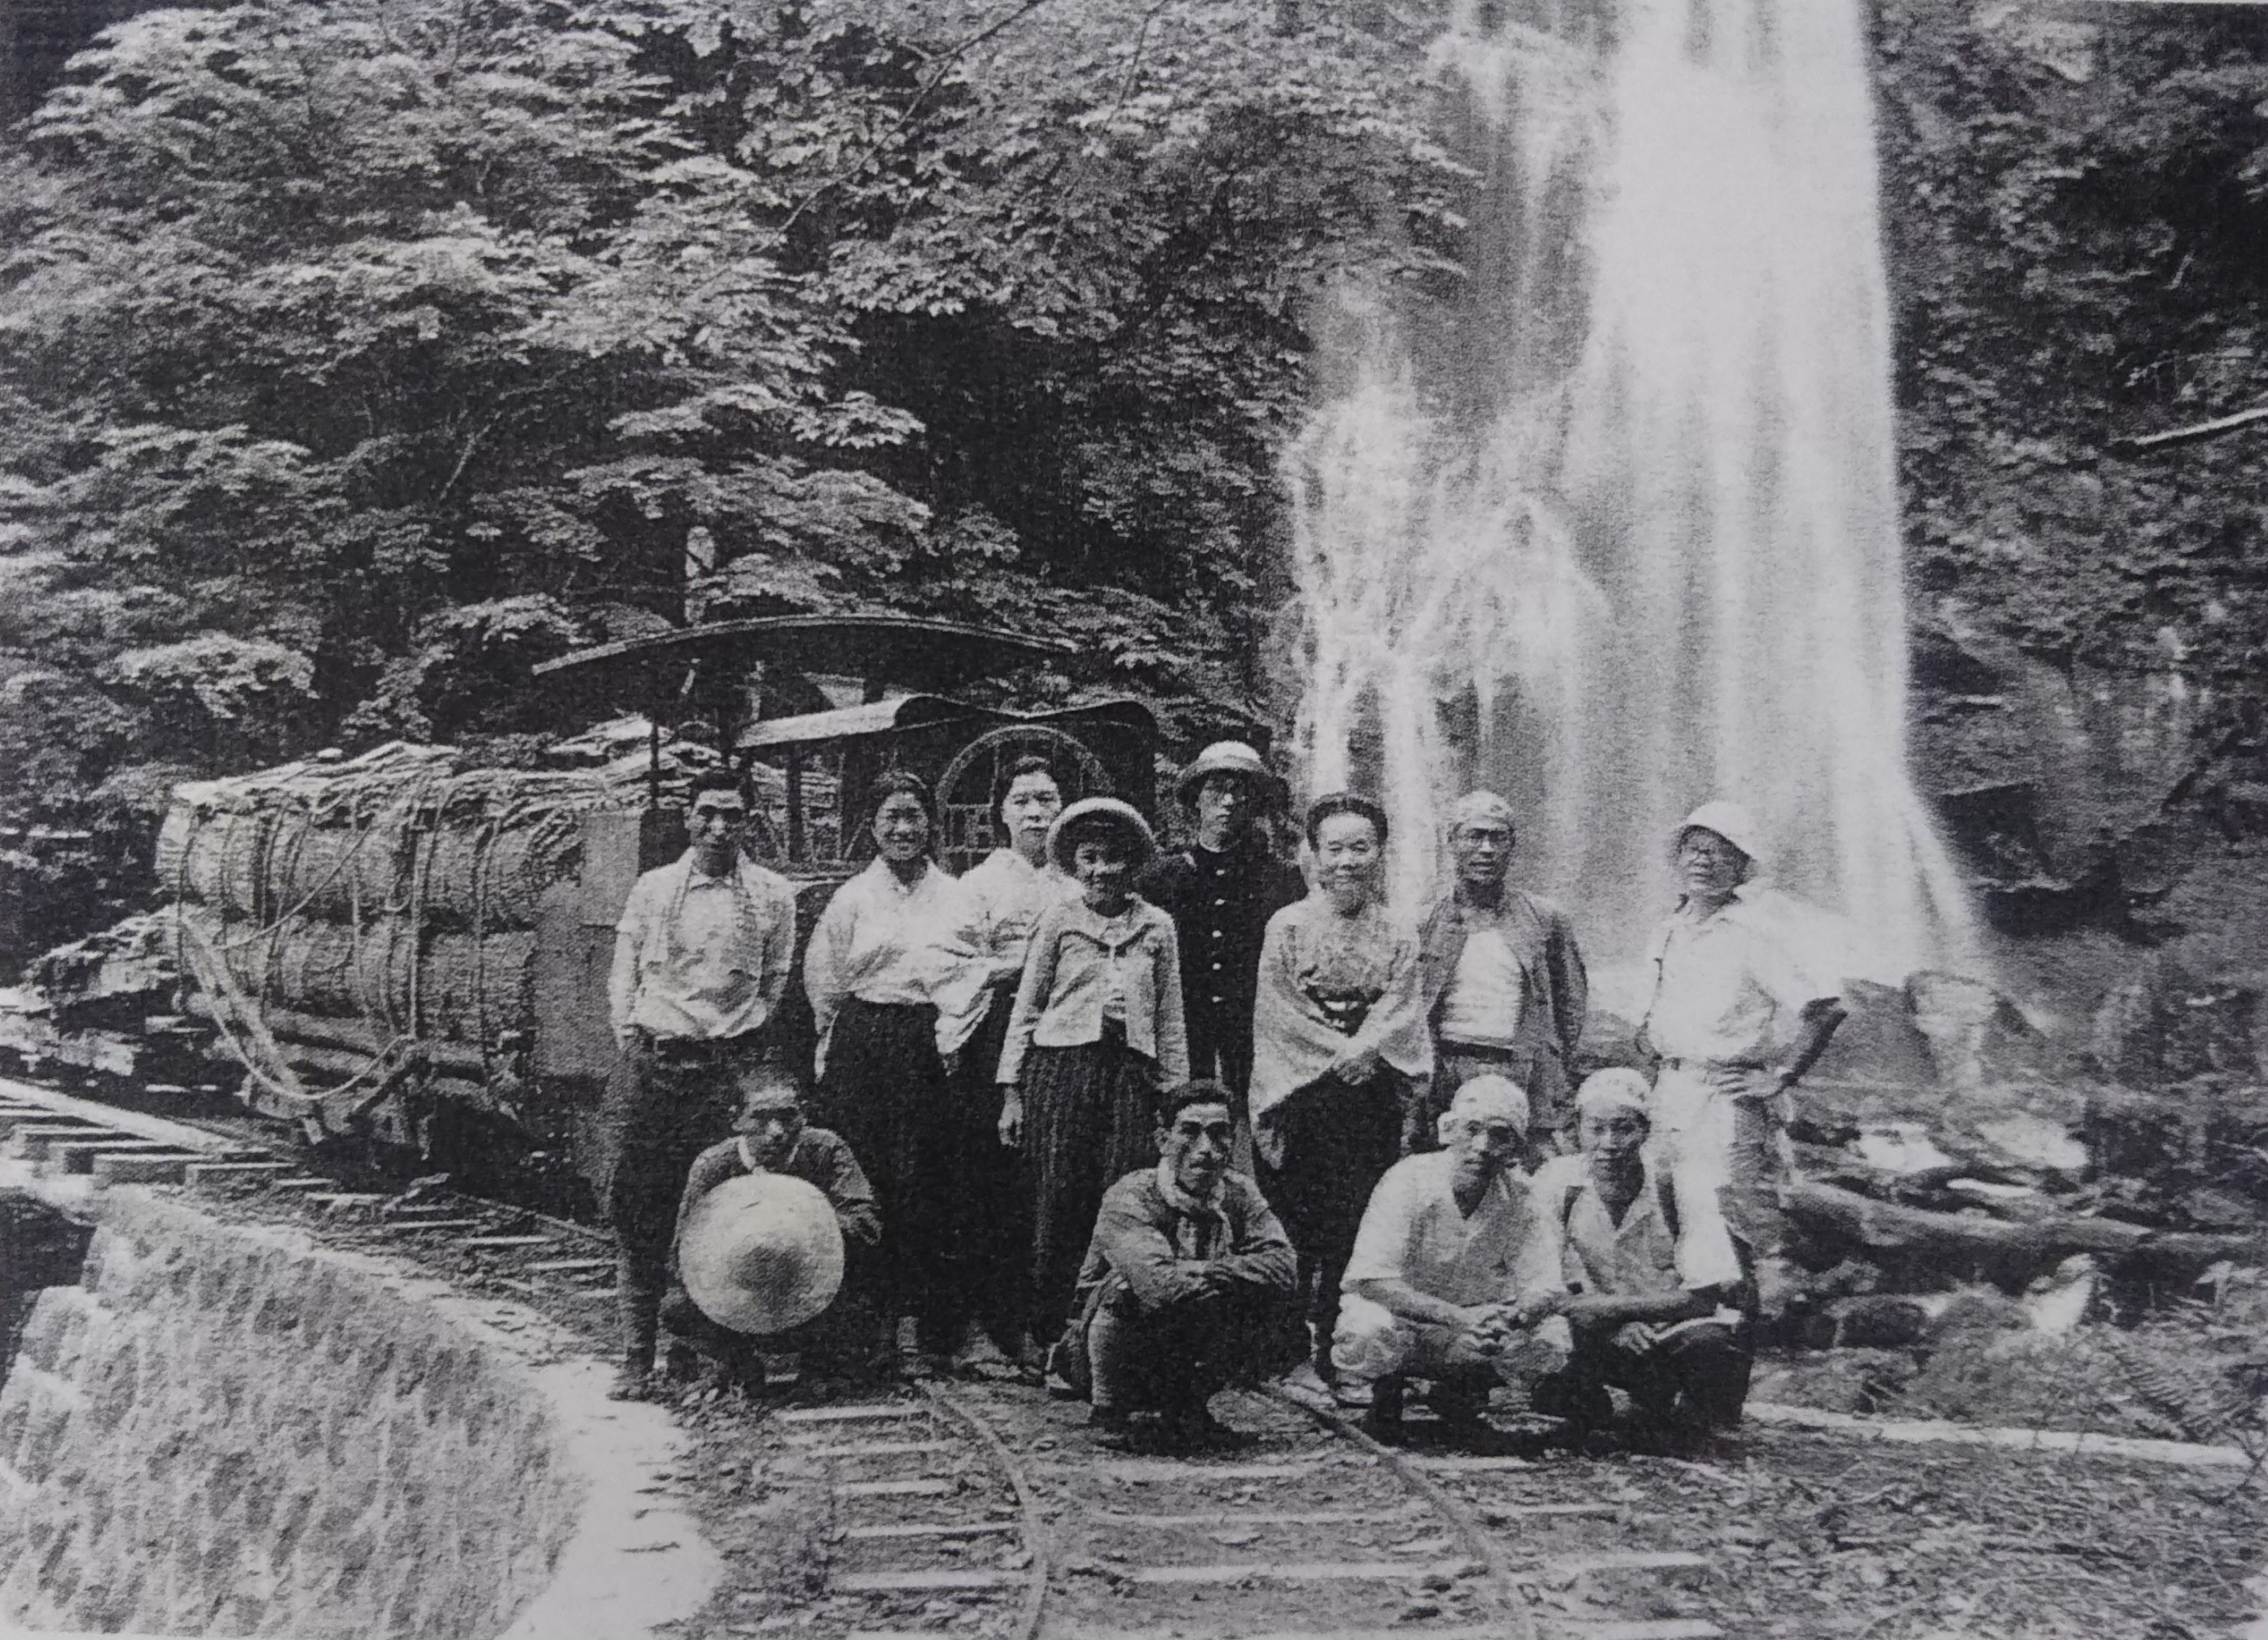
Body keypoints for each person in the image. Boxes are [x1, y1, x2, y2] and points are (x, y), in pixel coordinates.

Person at [603, 766, 798, 1401]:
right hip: (657, 1064)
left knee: (725, 1207)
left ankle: (711, 1354)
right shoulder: (653, 889)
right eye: (707, 813)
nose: (719, 827)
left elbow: (774, 981)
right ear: (687, 817)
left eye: (733, 815)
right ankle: (637, 1355)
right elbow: (623, 976)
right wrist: (634, 1040)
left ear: (749, 821)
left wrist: (737, 1046)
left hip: (728, 1073)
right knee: (639, 1205)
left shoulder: (772, 895)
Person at [1248, 792, 1432, 1388]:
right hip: (1304, 1094)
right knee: (1298, 1223)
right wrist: (1338, 1054)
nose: (1347, 862)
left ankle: (1347, 1349)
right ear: (1312, 855)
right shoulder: (1288, 925)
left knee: (1356, 1224)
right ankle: (1290, 1354)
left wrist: (1368, 1050)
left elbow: (1403, 1007)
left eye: (1361, 848)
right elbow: (1277, 1011)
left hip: (1370, 1095)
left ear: (1380, 854)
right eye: (1334, 849)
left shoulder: (1397, 929)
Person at [998, 797, 1190, 1365]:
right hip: (1061, 1071)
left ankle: (1108, 1328)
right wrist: (1011, 1091)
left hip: (1130, 1075)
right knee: (1057, 1194)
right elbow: (1027, 1008)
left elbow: (1171, 1017)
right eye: (1091, 858)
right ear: (1075, 864)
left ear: (1133, 865)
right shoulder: (1059, 920)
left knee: (1123, 1195)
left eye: (1115, 859)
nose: (1103, 870)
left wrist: (1173, 1099)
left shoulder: (1157, 926)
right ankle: (1046, 1329)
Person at [1636, 800, 1846, 1307]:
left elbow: (1827, 1007)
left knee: (1729, 1215)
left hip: (1725, 1095)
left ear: (1741, 867)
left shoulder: (1756, 932)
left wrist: (1781, 1076)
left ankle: (1744, 1336)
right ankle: (1692, 1333)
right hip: (1670, 1091)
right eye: (1693, 850)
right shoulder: (1670, 928)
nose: (1702, 862)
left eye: (1718, 852)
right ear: (1678, 858)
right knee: (1668, 1208)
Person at [804, 770, 978, 1375]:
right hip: (863, 1042)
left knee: (928, 1183)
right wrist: (833, 1048)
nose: (903, 829)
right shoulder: (851, 898)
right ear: (872, 828)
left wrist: (950, 1038)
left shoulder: (957, 895)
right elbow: (824, 982)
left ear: (931, 824)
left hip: (929, 1044)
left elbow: (970, 976)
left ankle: (927, 1332)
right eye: (890, 818)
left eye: (913, 816)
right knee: (866, 1178)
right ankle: (860, 1328)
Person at [1332, 1076, 1572, 1440]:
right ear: (1449, 1130)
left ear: (1514, 1147)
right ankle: (1387, 1388)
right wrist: (1458, 1318)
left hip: (1477, 1327)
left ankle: (1461, 1391)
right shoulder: (1408, 1179)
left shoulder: (1523, 1197)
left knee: (1550, 1337)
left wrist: (1513, 1316)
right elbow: (1371, 1279)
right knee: (1367, 1325)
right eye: (1472, 1129)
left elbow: (1546, 1285)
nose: (1481, 1146)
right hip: (1408, 1321)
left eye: (1499, 1135)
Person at [1069, 1081, 1298, 1452]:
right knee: (1126, 1290)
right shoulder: (1132, 1194)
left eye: (1219, 1134)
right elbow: (1158, 1285)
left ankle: (1189, 1408)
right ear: (1163, 1140)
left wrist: (1204, 1271)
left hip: (1196, 1315)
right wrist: (1228, 1275)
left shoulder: (1240, 1193)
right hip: (1114, 1340)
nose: (1205, 1149)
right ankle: (1109, 1408)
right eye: (1190, 1133)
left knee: (1273, 1307)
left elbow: (1283, 1265)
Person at [1527, 1071, 1753, 1440]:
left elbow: (1704, 1296)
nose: (1609, 1144)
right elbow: (1538, 1274)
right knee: (1560, 1391)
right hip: (1595, 1326)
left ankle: (1694, 1413)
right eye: (1596, 1129)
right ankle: (1621, 1397)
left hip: (1670, 1326)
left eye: (1623, 1129)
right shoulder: (1558, 1182)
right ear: (1577, 1131)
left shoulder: (1680, 1183)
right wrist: (1610, 1323)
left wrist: (1617, 1311)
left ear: (1645, 1131)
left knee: (1710, 1349)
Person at [941, 755, 1075, 1370]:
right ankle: (979, 1323)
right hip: (994, 1033)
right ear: (1001, 813)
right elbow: (955, 966)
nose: (1036, 813)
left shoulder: (1076, 883)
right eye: (1022, 801)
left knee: (1045, 1183)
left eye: (1047, 800)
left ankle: (1039, 1321)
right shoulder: (978, 885)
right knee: (989, 1180)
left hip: (1062, 1036)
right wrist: (1014, 970)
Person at [657, 1063, 884, 1391]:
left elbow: (867, 1222)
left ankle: (824, 1367)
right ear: (738, 1119)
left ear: (804, 1115)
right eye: (761, 1118)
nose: (776, 1131)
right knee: (677, 1308)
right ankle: (733, 1360)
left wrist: (808, 1224)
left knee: (862, 1297)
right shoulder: (714, 1165)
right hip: (738, 1283)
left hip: (811, 1284)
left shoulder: (825, 1150)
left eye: (788, 1116)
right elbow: (682, 1250)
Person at [1140, 741, 1305, 1135]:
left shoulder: (1282, 880)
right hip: (1182, 1029)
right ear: (1195, 798)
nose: (1229, 801)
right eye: (1216, 789)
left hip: (1257, 1031)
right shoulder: (1162, 879)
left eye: (1241, 790)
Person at [1418, 791, 1588, 1150]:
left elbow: (1570, 1003)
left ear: (1512, 845)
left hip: (1520, 1069)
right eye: (1474, 836)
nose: (1486, 849)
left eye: (1498, 838)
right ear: (1452, 842)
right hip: (1446, 1070)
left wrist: (1553, 1073)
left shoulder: (1545, 919)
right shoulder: (1424, 922)